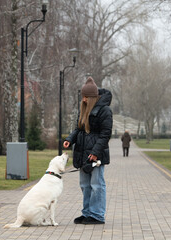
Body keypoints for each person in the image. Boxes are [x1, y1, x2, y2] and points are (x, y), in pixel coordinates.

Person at [63, 77, 112, 225]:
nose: (83, 100)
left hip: (96, 155)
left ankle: (97, 215)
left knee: (97, 185)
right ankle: (87, 213)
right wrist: (70, 139)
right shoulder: (84, 109)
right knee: (85, 185)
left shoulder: (105, 111)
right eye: (82, 97)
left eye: (86, 97)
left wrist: (96, 152)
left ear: (91, 97)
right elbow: (79, 129)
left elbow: (105, 135)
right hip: (82, 153)